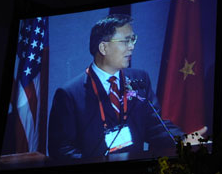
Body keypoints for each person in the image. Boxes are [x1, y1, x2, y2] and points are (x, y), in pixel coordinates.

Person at [48, 13, 206, 160]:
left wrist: (183, 140)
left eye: (133, 40)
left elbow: (156, 126)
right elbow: (61, 149)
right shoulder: (69, 94)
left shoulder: (140, 80)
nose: (132, 47)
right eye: (125, 41)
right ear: (103, 48)